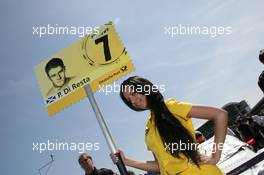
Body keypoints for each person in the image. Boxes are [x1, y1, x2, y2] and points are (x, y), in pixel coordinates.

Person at [113, 76, 228, 175]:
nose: (133, 101)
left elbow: (220, 115)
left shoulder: (170, 107)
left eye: (133, 93)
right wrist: (127, 161)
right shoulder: (149, 126)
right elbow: (161, 166)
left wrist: (215, 156)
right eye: (129, 99)